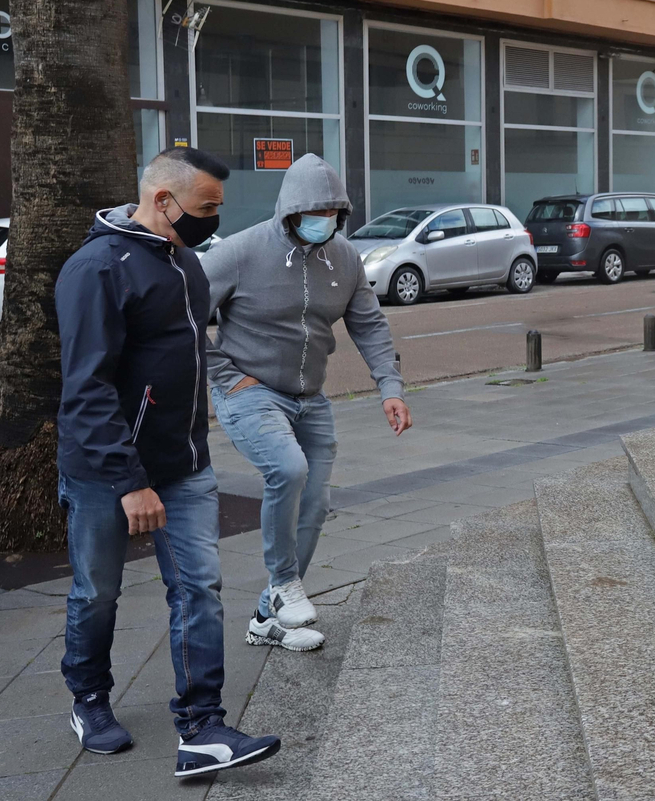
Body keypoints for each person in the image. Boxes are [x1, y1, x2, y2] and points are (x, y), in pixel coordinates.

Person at [56, 147, 282, 778]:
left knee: (199, 588)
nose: (213, 220)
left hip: (184, 466)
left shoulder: (185, 262)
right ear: (162, 200)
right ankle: (90, 700)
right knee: (97, 593)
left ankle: (203, 726)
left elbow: (188, 352)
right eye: (205, 207)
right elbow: (87, 387)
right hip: (107, 472)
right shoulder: (95, 268)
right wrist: (130, 482)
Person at [202, 154, 410, 653]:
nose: (326, 223)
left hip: (310, 398)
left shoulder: (344, 257)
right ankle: (284, 584)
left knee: (315, 505)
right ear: (289, 212)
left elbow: (369, 324)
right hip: (250, 390)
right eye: (315, 213)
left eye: (334, 213)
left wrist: (391, 387)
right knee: (288, 469)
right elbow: (180, 317)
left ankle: (265, 618)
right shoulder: (239, 253)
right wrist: (225, 376)